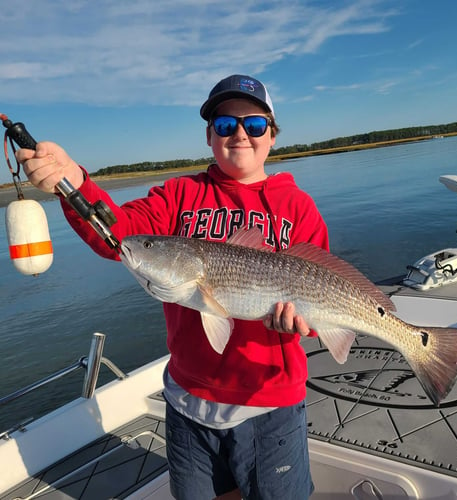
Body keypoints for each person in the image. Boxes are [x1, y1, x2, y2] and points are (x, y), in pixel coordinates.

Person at [17, 74, 330, 500]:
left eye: (254, 125)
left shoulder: (298, 207)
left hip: (269, 405)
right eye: (225, 125)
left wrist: (303, 324)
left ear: (271, 136)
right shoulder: (179, 195)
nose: (239, 134)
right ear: (209, 135)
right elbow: (120, 234)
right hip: (188, 403)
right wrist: (73, 182)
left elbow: (324, 293)